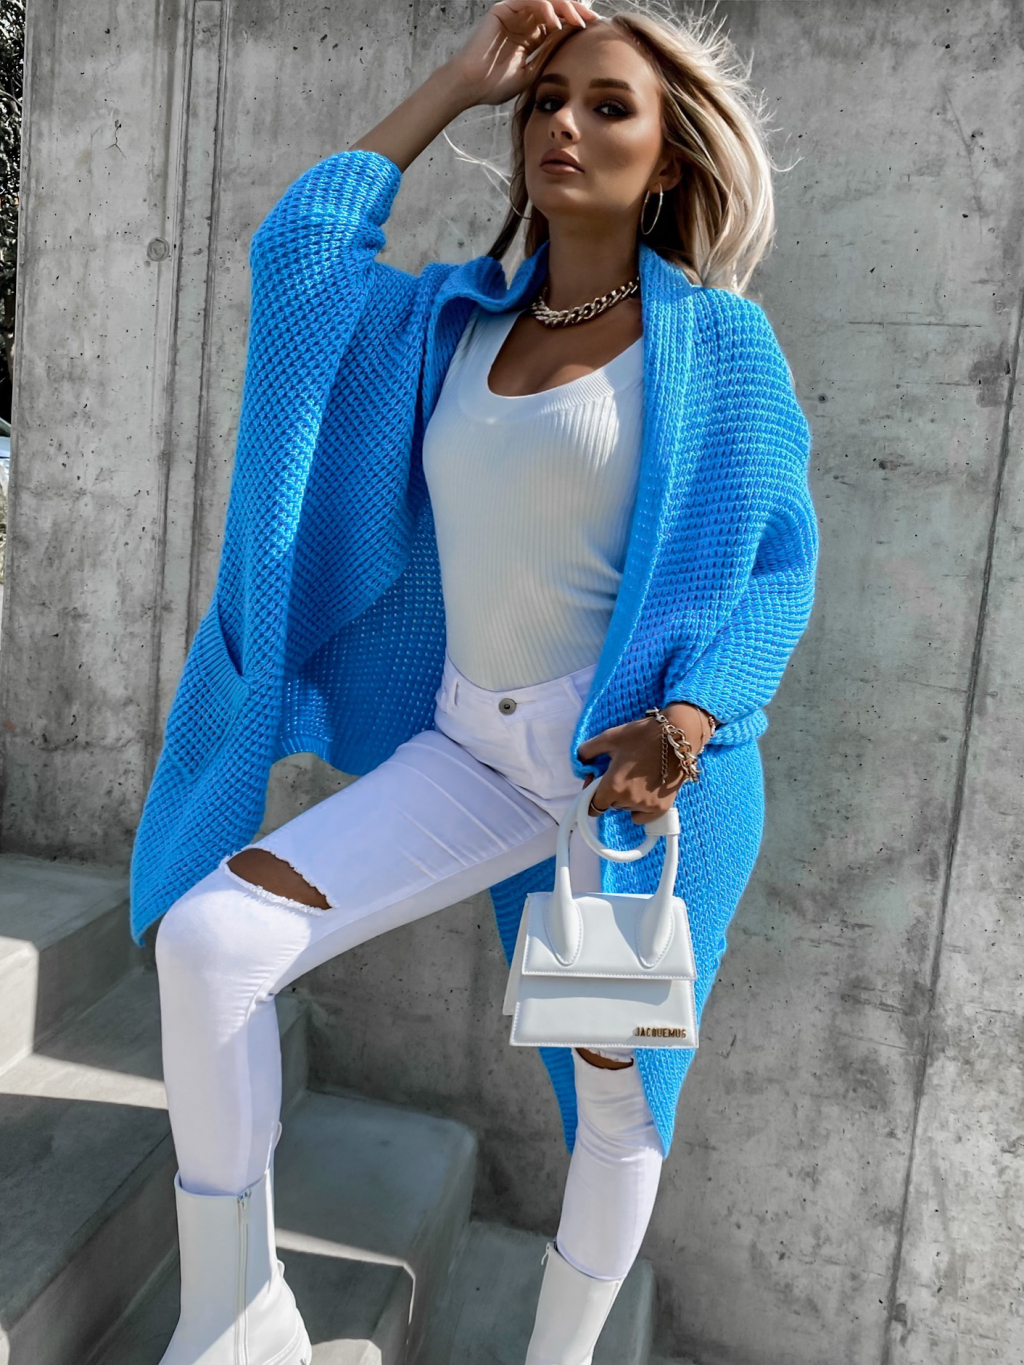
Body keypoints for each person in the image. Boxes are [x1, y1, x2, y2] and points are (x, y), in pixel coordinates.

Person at [131, 2, 819, 1361]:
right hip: (468, 754)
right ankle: (237, 1318)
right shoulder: (447, 323)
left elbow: (778, 571)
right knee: (211, 943)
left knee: (614, 1097)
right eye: (546, 100)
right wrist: (458, 81)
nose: (565, 123)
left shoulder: (719, 348)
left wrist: (688, 721)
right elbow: (299, 258)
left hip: (632, 797)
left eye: (608, 106)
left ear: (668, 157)